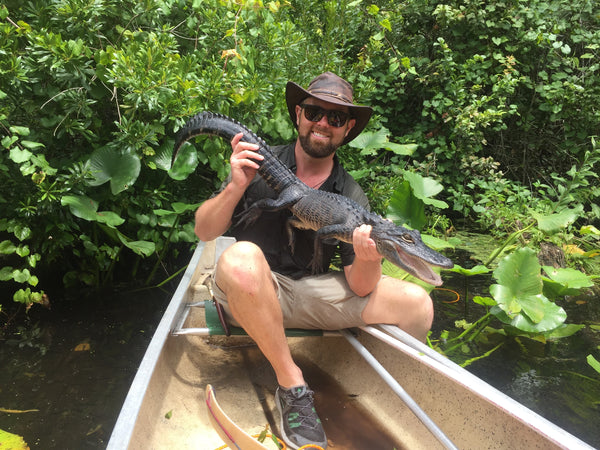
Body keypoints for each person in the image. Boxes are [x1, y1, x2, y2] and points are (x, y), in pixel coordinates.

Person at [194, 72, 433, 450]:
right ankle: (292, 383)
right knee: (241, 258)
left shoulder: (350, 192)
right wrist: (235, 185)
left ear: (347, 128)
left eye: (335, 117)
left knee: (418, 303)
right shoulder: (259, 164)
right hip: (249, 291)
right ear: (299, 115)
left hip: (304, 294)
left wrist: (371, 258)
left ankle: (381, 393)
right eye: (315, 111)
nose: (323, 122)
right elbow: (205, 232)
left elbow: (359, 286)